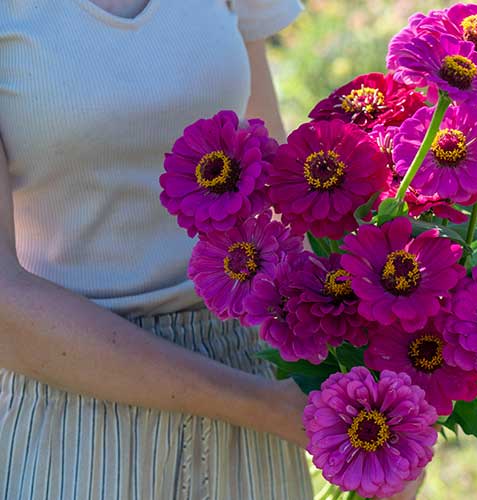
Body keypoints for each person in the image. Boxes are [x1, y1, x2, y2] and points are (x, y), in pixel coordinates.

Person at [0, 1, 422, 499]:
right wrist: (270, 408)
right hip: (77, 405)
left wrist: (376, 389)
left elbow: (279, 177)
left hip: (254, 379)